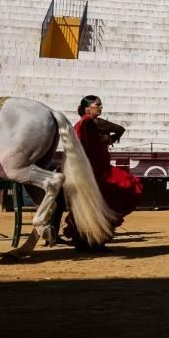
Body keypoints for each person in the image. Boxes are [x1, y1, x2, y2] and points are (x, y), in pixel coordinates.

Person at [65, 95, 142, 244]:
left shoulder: (79, 125)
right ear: (87, 108)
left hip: (86, 170)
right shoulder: (91, 122)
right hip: (98, 171)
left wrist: (106, 140)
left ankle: (85, 238)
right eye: (97, 105)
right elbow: (120, 129)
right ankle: (95, 238)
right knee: (127, 187)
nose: (101, 107)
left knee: (90, 204)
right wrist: (111, 138)